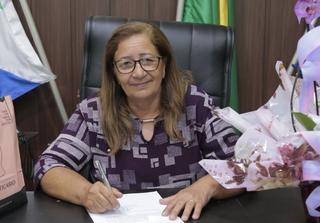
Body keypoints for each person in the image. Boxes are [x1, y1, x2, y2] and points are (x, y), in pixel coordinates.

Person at [34, 20, 243, 221]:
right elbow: (48, 166)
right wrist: (85, 192)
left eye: (148, 60)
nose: (139, 73)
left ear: (164, 66)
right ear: (114, 73)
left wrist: (204, 188)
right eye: (125, 64)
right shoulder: (94, 111)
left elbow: (243, 166)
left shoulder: (196, 104)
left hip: (185, 217)